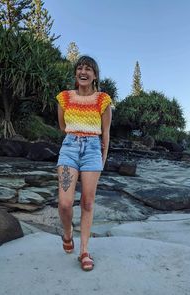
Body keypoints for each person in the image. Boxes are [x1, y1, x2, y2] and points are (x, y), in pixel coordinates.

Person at [56, 55, 112, 271]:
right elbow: (63, 126)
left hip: (92, 151)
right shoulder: (64, 97)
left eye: (88, 68)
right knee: (65, 203)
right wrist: (75, 137)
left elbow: (106, 132)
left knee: (88, 203)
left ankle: (84, 251)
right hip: (69, 147)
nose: (83, 71)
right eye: (80, 68)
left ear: (95, 75)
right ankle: (68, 233)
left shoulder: (103, 99)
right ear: (75, 74)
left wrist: (103, 157)